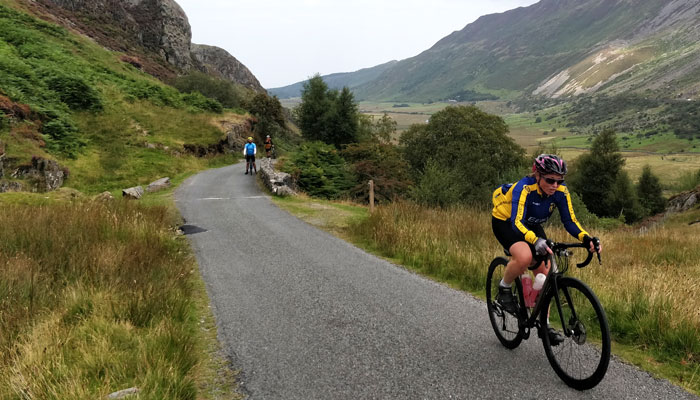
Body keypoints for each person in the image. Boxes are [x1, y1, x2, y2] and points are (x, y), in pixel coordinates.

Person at [491, 154, 601, 344]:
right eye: (550, 180)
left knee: (546, 273)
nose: (555, 185)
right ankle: (504, 288)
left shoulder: (561, 192)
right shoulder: (524, 188)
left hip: (531, 224)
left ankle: (545, 324)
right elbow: (516, 222)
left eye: (559, 181)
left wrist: (586, 238)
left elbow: (570, 221)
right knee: (524, 257)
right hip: (506, 222)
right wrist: (535, 241)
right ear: (537, 175)